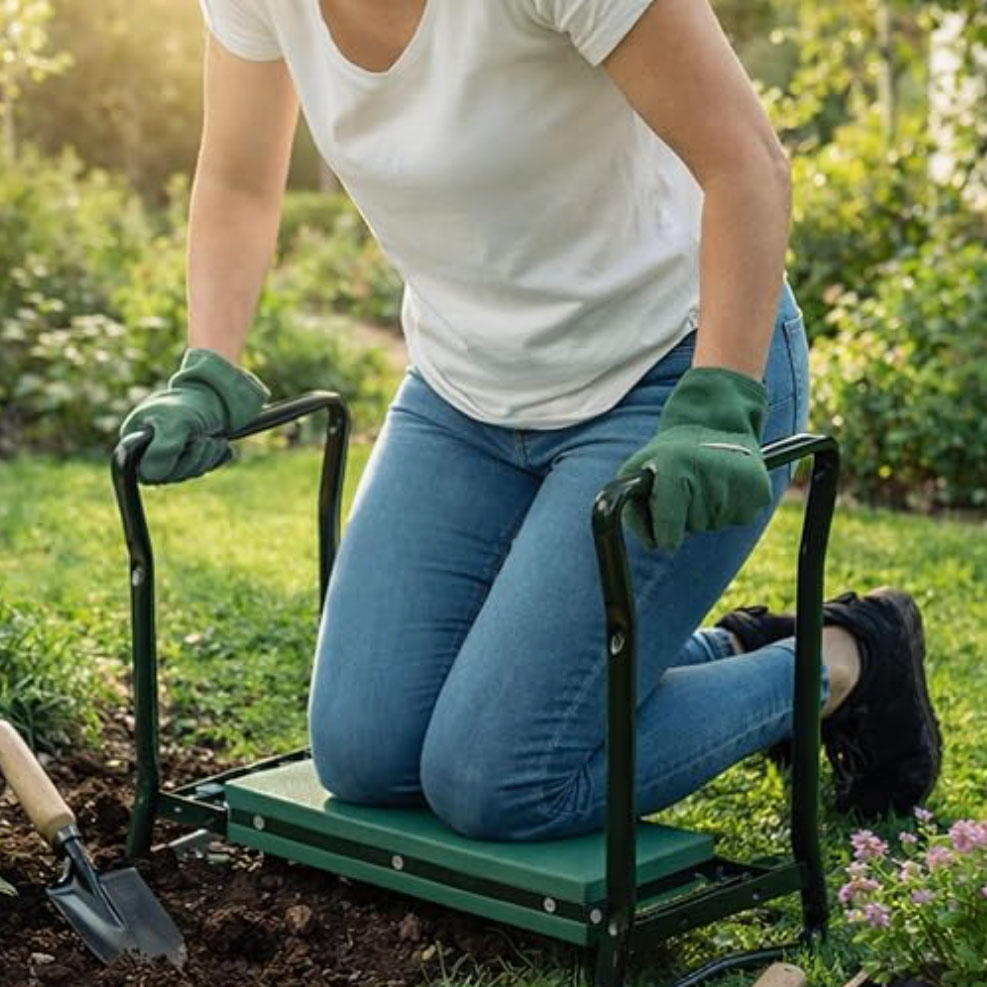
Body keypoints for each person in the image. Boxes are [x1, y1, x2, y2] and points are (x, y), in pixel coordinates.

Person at [120, 0, 941, 839]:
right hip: (463, 393)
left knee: (499, 778)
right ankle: (724, 649)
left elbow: (747, 163)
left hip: (675, 377)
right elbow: (238, 177)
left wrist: (721, 396)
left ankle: (845, 658)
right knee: (366, 755)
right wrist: (209, 366)